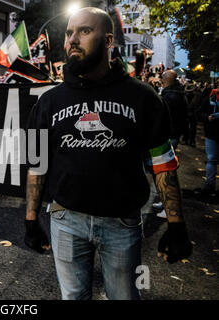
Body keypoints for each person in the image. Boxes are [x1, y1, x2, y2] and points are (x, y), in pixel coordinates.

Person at [24, 7, 192, 300]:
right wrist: (30, 220)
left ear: (109, 40)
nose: (72, 40)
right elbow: (36, 164)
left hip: (122, 224)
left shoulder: (143, 98)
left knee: (124, 297)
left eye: (85, 31)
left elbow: (163, 164)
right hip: (65, 221)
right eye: (69, 33)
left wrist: (176, 226)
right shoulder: (48, 102)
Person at [195, 82, 219, 199]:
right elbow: (199, 113)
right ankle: (210, 186)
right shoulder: (210, 98)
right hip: (212, 134)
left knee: (212, 160)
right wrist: (207, 118)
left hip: (211, 133)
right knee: (211, 160)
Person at [160, 70, 188, 151]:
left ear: (165, 79)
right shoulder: (179, 92)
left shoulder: (169, 96)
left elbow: (163, 116)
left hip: (168, 134)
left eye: (162, 77)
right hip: (175, 132)